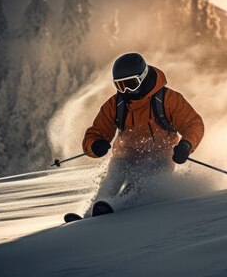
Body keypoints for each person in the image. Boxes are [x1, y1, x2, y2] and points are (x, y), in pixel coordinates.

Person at [82, 52, 204, 202]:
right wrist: (95, 145)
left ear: (143, 77)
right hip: (126, 156)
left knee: (142, 183)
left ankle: (122, 205)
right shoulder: (116, 105)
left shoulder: (167, 99)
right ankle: (98, 207)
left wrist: (186, 145)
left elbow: (193, 124)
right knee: (115, 175)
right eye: (120, 86)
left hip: (161, 157)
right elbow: (95, 133)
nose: (126, 91)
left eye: (131, 84)